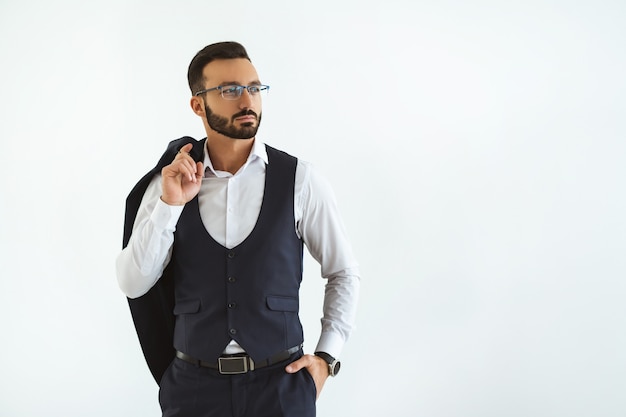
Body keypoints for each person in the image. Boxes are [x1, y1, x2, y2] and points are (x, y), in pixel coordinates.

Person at [116, 41, 360, 416]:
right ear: (198, 104)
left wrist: (327, 358)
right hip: (193, 390)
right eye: (229, 90)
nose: (247, 100)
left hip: (281, 387)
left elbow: (343, 271)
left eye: (254, 87)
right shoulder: (169, 182)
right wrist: (170, 206)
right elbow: (134, 284)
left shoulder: (299, 180)